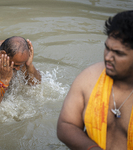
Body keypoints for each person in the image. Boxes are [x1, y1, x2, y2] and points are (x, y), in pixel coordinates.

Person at [57, 10, 133, 150]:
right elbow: (66, 124)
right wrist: (91, 148)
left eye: (118, 53)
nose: (108, 57)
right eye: (107, 48)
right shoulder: (90, 77)